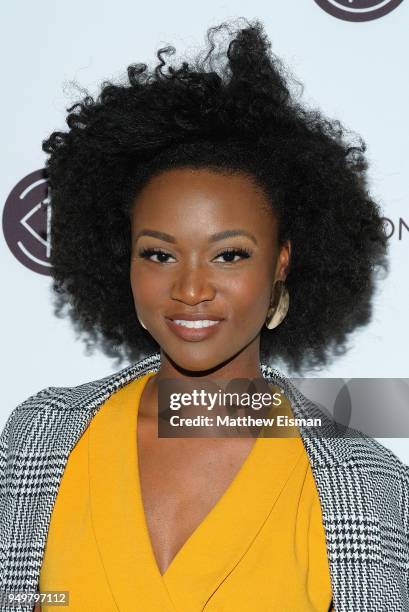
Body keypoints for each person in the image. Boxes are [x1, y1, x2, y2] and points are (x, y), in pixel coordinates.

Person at [1, 18, 408, 612]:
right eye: (160, 253)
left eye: (229, 254)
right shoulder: (41, 439)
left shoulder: (366, 489)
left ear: (281, 264)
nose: (190, 288)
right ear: (125, 259)